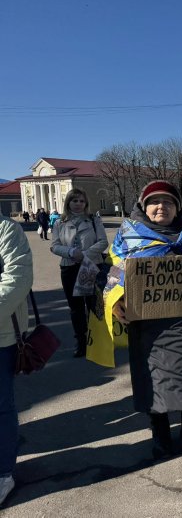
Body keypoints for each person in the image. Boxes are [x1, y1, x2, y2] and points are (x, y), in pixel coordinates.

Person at [110, 180, 182, 458]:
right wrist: (116, 301)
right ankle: (159, 431)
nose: (162, 207)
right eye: (155, 202)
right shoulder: (128, 235)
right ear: (144, 206)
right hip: (148, 326)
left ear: (176, 207)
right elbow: (112, 272)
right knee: (153, 377)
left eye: (168, 202)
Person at [50, 188, 109, 357]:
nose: (78, 204)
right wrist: (70, 253)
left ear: (86, 203)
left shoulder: (93, 219)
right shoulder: (59, 223)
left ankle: (97, 339)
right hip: (69, 267)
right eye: (74, 201)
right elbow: (54, 245)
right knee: (75, 307)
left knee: (92, 304)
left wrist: (84, 255)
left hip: (90, 265)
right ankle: (81, 341)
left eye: (81, 201)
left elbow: (103, 241)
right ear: (68, 203)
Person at [0, 210, 33, 505]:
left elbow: (18, 278)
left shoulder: (6, 230)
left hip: (0, 338)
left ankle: (2, 474)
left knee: (0, 407)